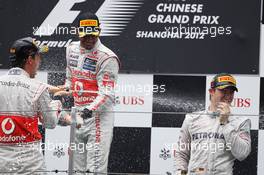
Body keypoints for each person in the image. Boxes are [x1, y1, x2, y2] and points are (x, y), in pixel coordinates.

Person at [59, 12, 120, 174]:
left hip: (98, 119)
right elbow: (69, 79)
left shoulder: (107, 57)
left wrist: (88, 111)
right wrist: (63, 91)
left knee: (94, 169)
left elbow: (107, 93)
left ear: (99, 32)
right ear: (78, 32)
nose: (90, 39)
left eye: (93, 35)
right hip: (77, 115)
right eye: (85, 36)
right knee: (76, 169)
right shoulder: (70, 49)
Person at [0, 37, 71, 174]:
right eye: (38, 57)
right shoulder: (38, 88)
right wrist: (56, 101)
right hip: (29, 166)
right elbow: (50, 123)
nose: (40, 62)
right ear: (30, 60)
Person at [174, 73, 251, 175]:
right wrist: (181, 173)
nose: (228, 96)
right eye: (223, 91)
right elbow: (182, 153)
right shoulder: (192, 118)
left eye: (231, 92)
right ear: (211, 91)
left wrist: (225, 123)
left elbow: (242, 154)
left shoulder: (241, 121)